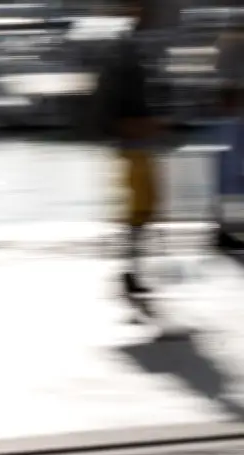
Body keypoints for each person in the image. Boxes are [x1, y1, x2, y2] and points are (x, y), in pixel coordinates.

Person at [101, 0, 162, 296]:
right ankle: (131, 270)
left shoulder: (132, 44)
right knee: (139, 210)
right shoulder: (125, 46)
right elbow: (118, 95)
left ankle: (133, 269)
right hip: (132, 139)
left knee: (145, 209)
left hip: (138, 138)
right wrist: (129, 123)